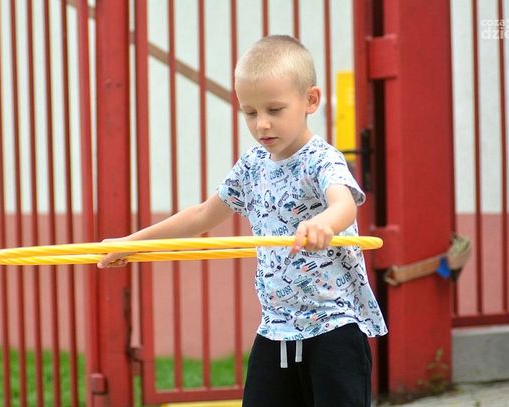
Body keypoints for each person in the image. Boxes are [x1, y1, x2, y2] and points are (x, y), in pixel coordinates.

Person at [98, 35, 387, 407]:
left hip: (333, 329)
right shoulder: (253, 166)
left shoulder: (322, 159)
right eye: (250, 113)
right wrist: (130, 243)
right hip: (276, 328)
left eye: (274, 109)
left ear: (311, 100)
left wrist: (325, 224)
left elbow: (344, 204)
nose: (262, 124)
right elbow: (203, 214)